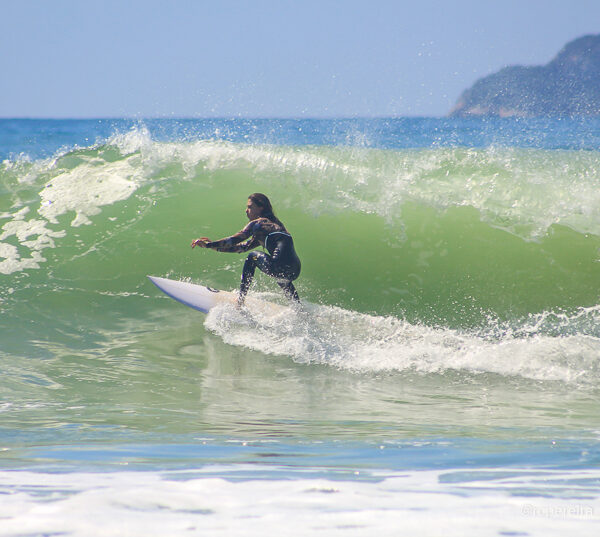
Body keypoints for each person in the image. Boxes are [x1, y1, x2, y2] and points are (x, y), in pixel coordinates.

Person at [191, 193, 301, 307]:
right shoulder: (273, 226)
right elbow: (242, 247)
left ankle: (240, 301)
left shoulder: (258, 223)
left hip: (279, 267)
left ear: (260, 208)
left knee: (252, 257)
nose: (246, 210)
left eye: (250, 207)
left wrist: (209, 245)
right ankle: (298, 308)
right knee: (281, 278)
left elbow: (235, 240)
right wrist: (214, 247)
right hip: (295, 270)